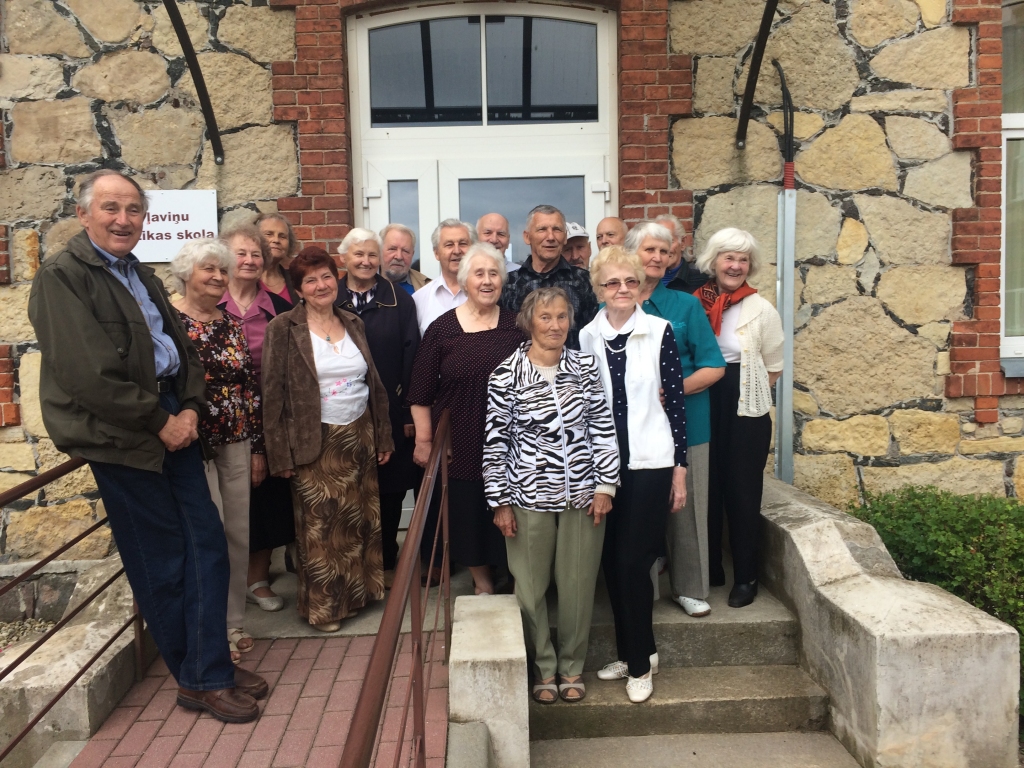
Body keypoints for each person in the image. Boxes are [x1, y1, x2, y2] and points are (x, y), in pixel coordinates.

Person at [28, 170, 267, 723]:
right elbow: (87, 374)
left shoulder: (139, 273)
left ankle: (211, 669)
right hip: (123, 440)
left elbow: (181, 351)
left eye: (133, 209)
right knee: (162, 562)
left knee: (207, 545)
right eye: (111, 208)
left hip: (173, 423)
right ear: (84, 213)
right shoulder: (62, 277)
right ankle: (199, 679)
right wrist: (160, 420)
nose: (123, 219)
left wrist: (187, 407)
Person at [484, 288, 619, 704]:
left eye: (562, 317)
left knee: (578, 584)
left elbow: (602, 425)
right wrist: (499, 500)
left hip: (582, 495)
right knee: (530, 586)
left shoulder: (585, 366)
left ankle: (571, 667)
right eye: (546, 318)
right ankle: (543, 667)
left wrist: (605, 485)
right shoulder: (505, 375)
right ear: (528, 322)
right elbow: (495, 443)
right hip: (525, 496)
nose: (555, 325)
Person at [262, 247, 395, 631]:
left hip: (359, 434)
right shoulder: (283, 328)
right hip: (312, 440)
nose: (320, 286)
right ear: (298, 289)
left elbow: (374, 382)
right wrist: (279, 456)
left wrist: (382, 435)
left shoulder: (352, 322)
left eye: (325, 277)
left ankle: (360, 596)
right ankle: (325, 609)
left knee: (358, 522)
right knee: (321, 530)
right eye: (310, 280)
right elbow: (272, 395)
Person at [579, 246, 688, 704]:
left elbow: (677, 405)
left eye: (629, 282)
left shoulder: (659, 330)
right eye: (612, 283)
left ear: (641, 285)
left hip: (650, 462)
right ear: (598, 290)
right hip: (601, 466)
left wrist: (680, 471)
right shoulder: (585, 336)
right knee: (610, 563)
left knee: (632, 562)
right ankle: (632, 650)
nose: (621, 290)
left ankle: (641, 664)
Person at [408, 243, 523, 596]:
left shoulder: (517, 325)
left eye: (494, 274)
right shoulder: (442, 329)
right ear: (464, 280)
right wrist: (425, 441)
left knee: (512, 508)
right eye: (479, 274)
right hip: (462, 437)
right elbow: (420, 391)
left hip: (513, 440)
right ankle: (482, 580)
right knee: (469, 511)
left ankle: (514, 575)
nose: (487, 281)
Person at [170, 238, 265, 663]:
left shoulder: (229, 323)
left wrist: (258, 445)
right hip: (194, 443)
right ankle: (209, 629)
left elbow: (249, 386)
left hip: (237, 438)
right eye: (209, 268)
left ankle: (232, 621)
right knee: (208, 534)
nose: (218, 277)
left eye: (222, 271)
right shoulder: (169, 322)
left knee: (238, 531)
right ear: (187, 273)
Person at [627, 222, 725, 618]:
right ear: (633, 253)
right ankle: (642, 589)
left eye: (663, 252)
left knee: (687, 511)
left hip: (690, 422)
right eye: (649, 250)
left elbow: (714, 366)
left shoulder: (685, 305)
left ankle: (690, 587)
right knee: (642, 508)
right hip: (636, 429)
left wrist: (676, 388)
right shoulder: (613, 307)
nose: (657, 258)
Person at [696, 228, 783, 609]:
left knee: (742, 491)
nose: (735, 265)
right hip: (702, 397)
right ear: (713, 262)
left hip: (745, 404)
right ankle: (711, 566)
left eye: (743, 259)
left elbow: (774, 367)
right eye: (728, 258)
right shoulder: (695, 302)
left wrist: (745, 391)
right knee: (707, 486)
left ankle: (746, 576)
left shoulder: (761, 309)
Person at [336, 228, 421, 589]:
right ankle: (351, 567)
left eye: (372, 255)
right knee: (347, 491)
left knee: (389, 491)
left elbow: (411, 357)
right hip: (341, 413)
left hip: (388, 414)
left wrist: (404, 413)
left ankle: (386, 561)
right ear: (344, 258)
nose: (366, 261)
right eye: (359, 254)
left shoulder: (399, 301)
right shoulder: (326, 296)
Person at [219, 224, 295, 613]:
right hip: (221, 417)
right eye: (241, 253)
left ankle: (257, 579)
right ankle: (224, 585)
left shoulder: (281, 309)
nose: (249, 261)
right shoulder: (208, 303)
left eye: (256, 255)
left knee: (266, 500)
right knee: (222, 501)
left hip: (270, 415)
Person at [499, 205, 599, 350]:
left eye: (557, 230)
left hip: (574, 369)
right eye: (542, 229)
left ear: (564, 237)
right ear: (527, 237)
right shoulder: (508, 284)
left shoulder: (585, 281)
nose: (551, 237)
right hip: (521, 370)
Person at [412, 219, 475, 336]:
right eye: (449, 245)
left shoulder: (487, 295)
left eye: (463, 243)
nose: (457, 251)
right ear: (436, 253)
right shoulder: (419, 300)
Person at [657, 213, 709, 294]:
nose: (663, 249)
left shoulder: (701, 280)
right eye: (656, 242)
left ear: (683, 243)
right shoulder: (644, 279)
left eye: (669, 241)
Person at [256, 212, 300, 304]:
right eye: (269, 234)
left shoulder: (295, 281)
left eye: (282, 236)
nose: (276, 240)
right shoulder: (244, 279)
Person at [381, 223, 430, 294]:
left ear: (412, 254)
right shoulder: (364, 282)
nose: (399, 257)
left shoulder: (427, 288)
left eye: (405, 251)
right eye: (392, 249)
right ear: (379, 251)